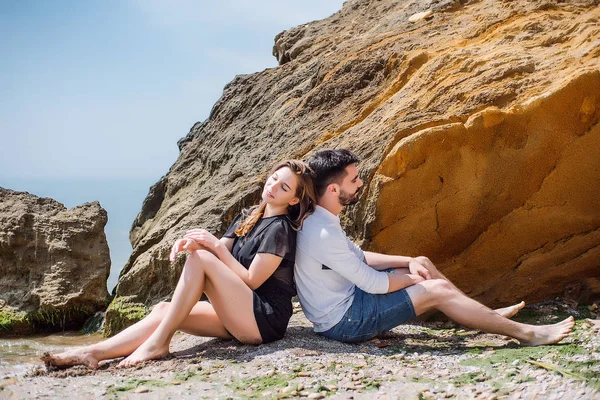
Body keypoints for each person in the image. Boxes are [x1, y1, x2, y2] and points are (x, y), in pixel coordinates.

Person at [42, 160, 316, 369]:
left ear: (293, 199)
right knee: (164, 309)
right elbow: (219, 250)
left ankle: (158, 343)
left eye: (284, 187)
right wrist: (192, 244)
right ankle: (92, 353)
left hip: (263, 321)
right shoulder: (250, 216)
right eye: (274, 178)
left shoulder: (281, 229)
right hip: (239, 314)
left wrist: (212, 248)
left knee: (203, 260)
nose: (273, 186)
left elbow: (251, 279)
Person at [294, 149, 574, 345]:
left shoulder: (323, 219)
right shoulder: (322, 232)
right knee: (434, 288)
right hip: (345, 322)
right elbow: (373, 283)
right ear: (333, 190)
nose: (361, 184)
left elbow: (360, 256)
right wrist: (414, 281)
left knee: (423, 261)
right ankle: (527, 334)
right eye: (354, 180)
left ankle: (481, 313)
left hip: (351, 301)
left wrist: (411, 262)